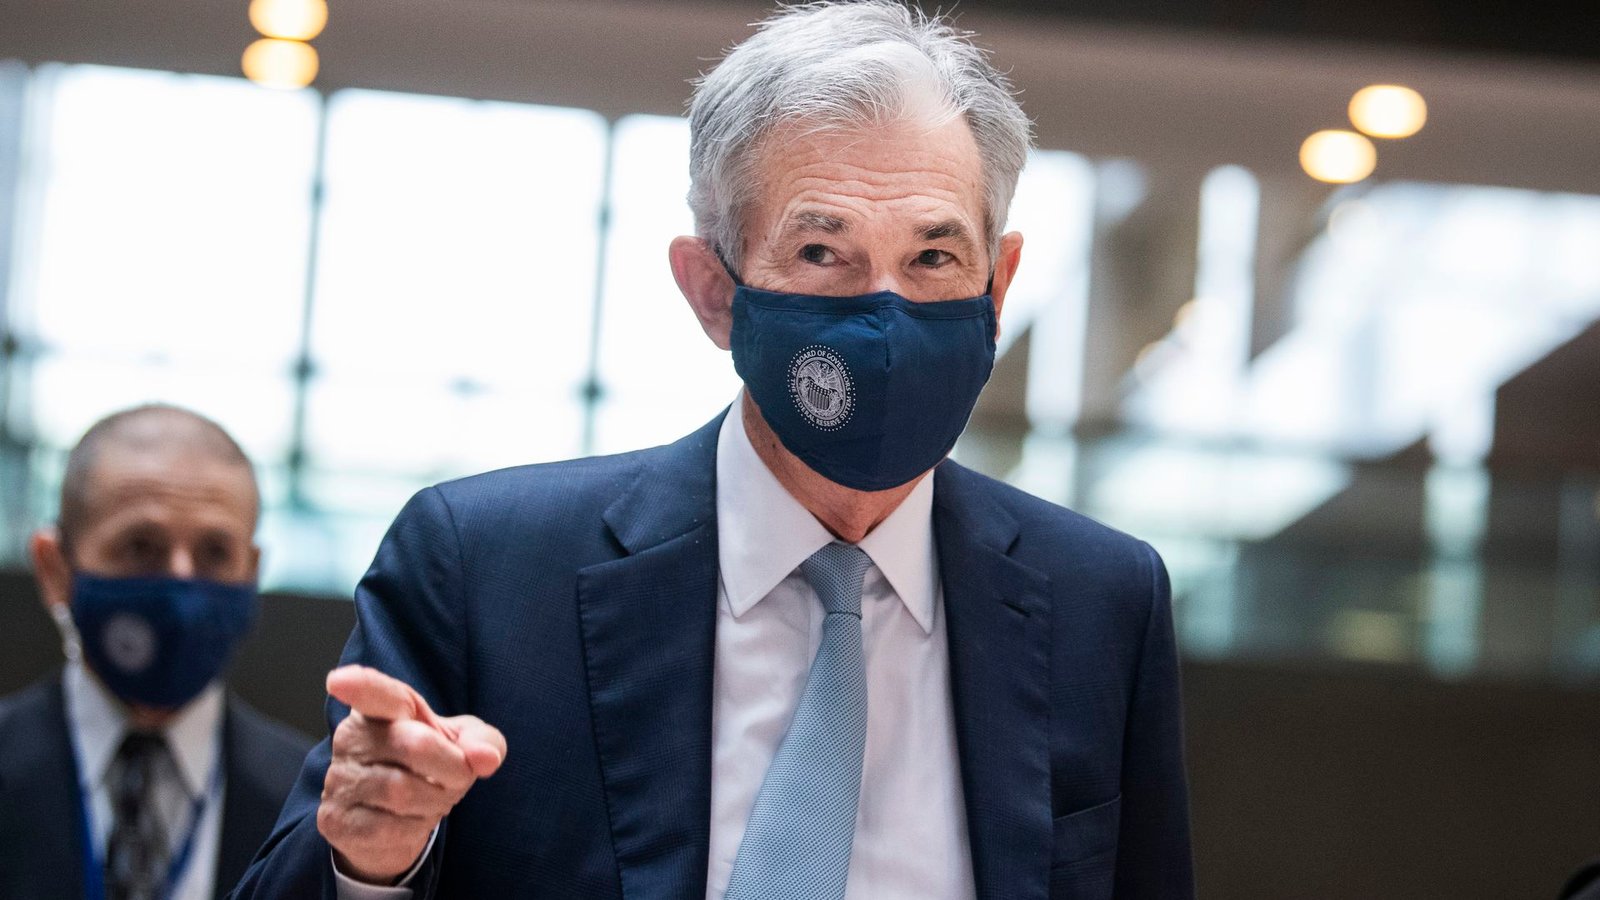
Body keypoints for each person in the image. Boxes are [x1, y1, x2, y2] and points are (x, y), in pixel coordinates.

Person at [233, 3, 1194, 898]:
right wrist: (374, 862)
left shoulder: (1099, 601)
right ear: (712, 291)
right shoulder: (488, 571)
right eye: (822, 253)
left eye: (933, 257)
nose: (887, 310)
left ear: (998, 283)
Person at [0, 404, 311, 900]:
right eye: (140, 546)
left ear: (252, 572)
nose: (180, 584)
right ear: (54, 567)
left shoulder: (313, 804)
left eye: (215, 552)